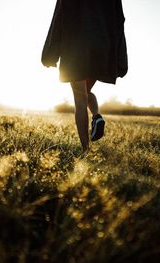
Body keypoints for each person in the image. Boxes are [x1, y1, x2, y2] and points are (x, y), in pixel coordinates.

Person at [42, 0, 128, 152]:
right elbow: (119, 20)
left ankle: (85, 150)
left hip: (76, 45)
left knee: (80, 99)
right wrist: (121, 59)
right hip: (102, 45)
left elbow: (59, 16)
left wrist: (49, 54)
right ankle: (96, 116)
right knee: (85, 92)